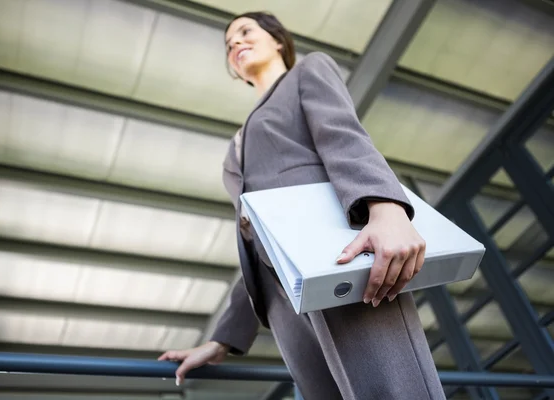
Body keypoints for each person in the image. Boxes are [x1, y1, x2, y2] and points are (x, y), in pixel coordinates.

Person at [159, 11, 446, 399]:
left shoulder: (307, 70)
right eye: (228, 45)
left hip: (337, 253)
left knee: (387, 389)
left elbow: (342, 134)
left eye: (245, 32)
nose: (235, 45)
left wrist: (386, 208)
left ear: (278, 40)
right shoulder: (236, 148)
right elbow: (254, 239)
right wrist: (223, 339)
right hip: (281, 298)